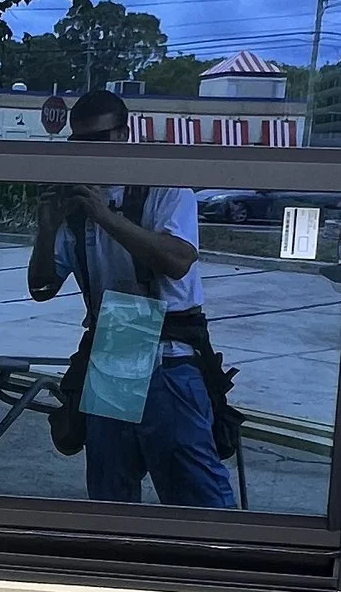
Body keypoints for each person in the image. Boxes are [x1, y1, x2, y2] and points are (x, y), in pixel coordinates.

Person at [27, 91, 237, 508]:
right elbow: (41, 289)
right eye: (79, 143)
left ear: (124, 134)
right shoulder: (76, 205)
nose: (87, 152)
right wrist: (47, 230)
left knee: (197, 495)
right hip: (119, 338)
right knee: (111, 488)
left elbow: (178, 261)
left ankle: (217, 565)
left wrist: (106, 217)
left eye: (97, 139)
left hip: (166, 342)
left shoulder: (162, 185)